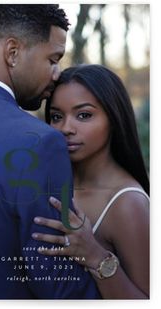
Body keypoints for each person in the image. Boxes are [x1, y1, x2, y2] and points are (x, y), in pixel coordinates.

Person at [0, 5, 99, 299]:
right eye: (53, 59)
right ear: (12, 52)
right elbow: (60, 289)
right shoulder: (39, 142)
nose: (57, 73)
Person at [32, 64, 150, 299]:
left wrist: (95, 255)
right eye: (56, 116)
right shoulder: (49, 183)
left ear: (114, 118)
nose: (66, 128)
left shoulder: (127, 204)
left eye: (84, 115)